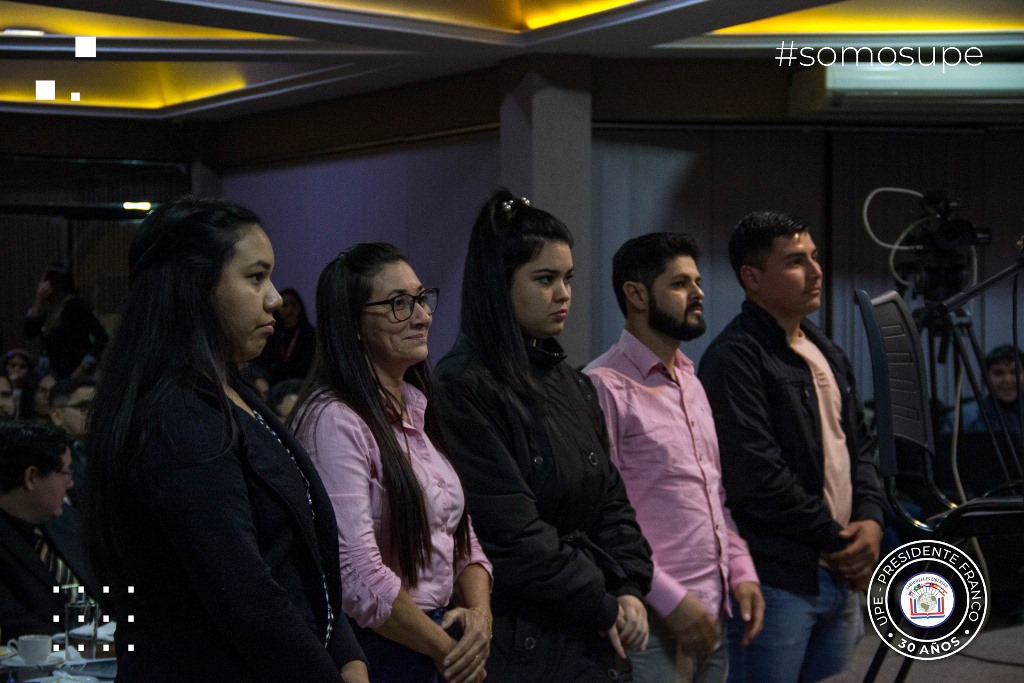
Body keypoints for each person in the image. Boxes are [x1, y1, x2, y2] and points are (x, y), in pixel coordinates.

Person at [85, 196, 368, 682]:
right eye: (255, 277)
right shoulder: (176, 416)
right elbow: (247, 595)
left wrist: (350, 658)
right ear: (196, 288)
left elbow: (300, 558)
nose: (276, 298)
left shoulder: (229, 390)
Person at [435, 189, 654, 682]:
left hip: (588, 634)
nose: (564, 294)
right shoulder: (462, 384)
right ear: (499, 284)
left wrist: (629, 588)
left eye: (568, 278)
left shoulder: (569, 381)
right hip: (524, 641)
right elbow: (511, 534)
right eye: (545, 279)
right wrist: (603, 604)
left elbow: (611, 501)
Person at [698, 211, 886, 683]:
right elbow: (757, 476)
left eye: (814, 257)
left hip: (839, 574)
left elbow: (859, 451)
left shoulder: (825, 349)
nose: (816, 270)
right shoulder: (734, 357)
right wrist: (842, 541)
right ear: (753, 278)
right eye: (796, 261)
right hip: (778, 577)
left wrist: (872, 521)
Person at [293, 243, 493, 683]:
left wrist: (479, 615)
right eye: (398, 305)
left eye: (422, 299)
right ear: (353, 324)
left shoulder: (418, 404)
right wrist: (446, 649)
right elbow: (357, 573)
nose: (422, 316)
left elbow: (458, 532)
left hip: (435, 636)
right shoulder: (334, 419)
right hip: (383, 649)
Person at [584, 232, 763, 683]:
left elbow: (712, 494)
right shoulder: (602, 385)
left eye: (697, 281)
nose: (699, 293)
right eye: (681, 283)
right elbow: (596, 517)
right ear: (636, 294)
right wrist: (668, 600)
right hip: (649, 619)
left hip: (713, 610)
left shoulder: (691, 379)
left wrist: (740, 569)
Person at [0, 422, 103, 639]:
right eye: (65, 473)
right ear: (31, 478)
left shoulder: (64, 520)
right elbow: (15, 624)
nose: (71, 484)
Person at [24, 264, 109, 379]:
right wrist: (38, 300)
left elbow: (101, 337)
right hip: (53, 374)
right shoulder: (48, 308)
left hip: (74, 372)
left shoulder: (75, 305)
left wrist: (84, 366)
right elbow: (29, 332)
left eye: (44, 281)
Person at [944, 344, 1023, 443]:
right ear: (985, 378)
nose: (1007, 380)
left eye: (1014, 372)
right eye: (998, 373)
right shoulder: (960, 420)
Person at [48, 378, 95, 507]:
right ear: (56, 415)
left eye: (98, 406)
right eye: (84, 407)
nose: (94, 413)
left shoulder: (117, 450)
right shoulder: (50, 458)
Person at [255, 287, 316, 385]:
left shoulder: (310, 335)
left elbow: (307, 367)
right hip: (268, 381)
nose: (289, 310)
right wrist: (260, 378)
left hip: (298, 384)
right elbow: (261, 361)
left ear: (300, 307)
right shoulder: (270, 331)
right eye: (285, 305)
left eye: (293, 305)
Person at [3, 349, 34, 419]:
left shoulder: (33, 392)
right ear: (5, 368)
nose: (17, 369)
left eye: (22, 366)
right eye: (13, 365)